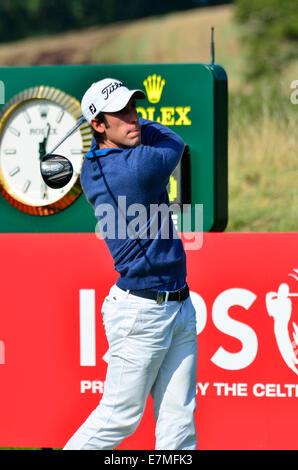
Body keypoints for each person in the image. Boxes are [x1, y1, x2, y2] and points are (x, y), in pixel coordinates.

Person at [63, 78, 198, 450]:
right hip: (142, 312)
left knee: (178, 423)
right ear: (97, 124)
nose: (133, 118)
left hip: (178, 303)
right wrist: (145, 129)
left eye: (133, 108)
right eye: (120, 113)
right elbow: (174, 142)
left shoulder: (97, 161)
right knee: (118, 419)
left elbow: (137, 136)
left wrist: (122, 126)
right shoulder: (134, 170)